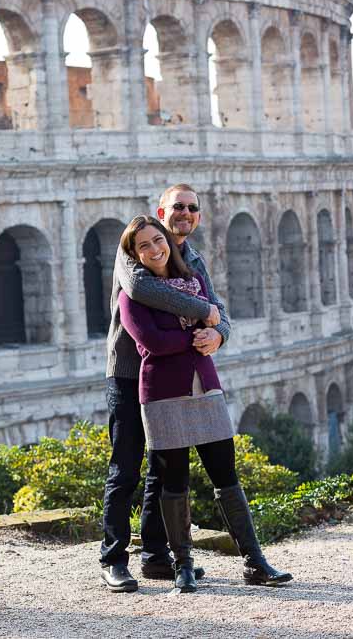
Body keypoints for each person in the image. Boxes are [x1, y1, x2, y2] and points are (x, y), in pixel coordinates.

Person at [118, 215, 292, 593]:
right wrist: (193, 334)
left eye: (157, 241)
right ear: (133, 254)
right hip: (163, 394)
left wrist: (212, 332)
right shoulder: (131, 296)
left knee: (226, 476)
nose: (154, 249)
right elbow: (152, 343)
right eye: (143, 245)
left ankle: (255, 561)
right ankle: (182, 565)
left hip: (205, 387)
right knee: (174, 481)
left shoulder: (194, 282)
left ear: (167, 241)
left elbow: (216, 320)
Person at [99, 184, 229, 592]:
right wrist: (203, 313)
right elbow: (143, 290)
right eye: (177, 207)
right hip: (127, 374)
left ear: (198, 216)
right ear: (162, 210)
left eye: (192, 208)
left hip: (171, 378)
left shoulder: (192, 257)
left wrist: (219, 333)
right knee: (125, 468)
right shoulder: (132, 249)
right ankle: (113, 559)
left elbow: (218, 309)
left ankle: (156, 557)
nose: (184, 214)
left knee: (163, 469)